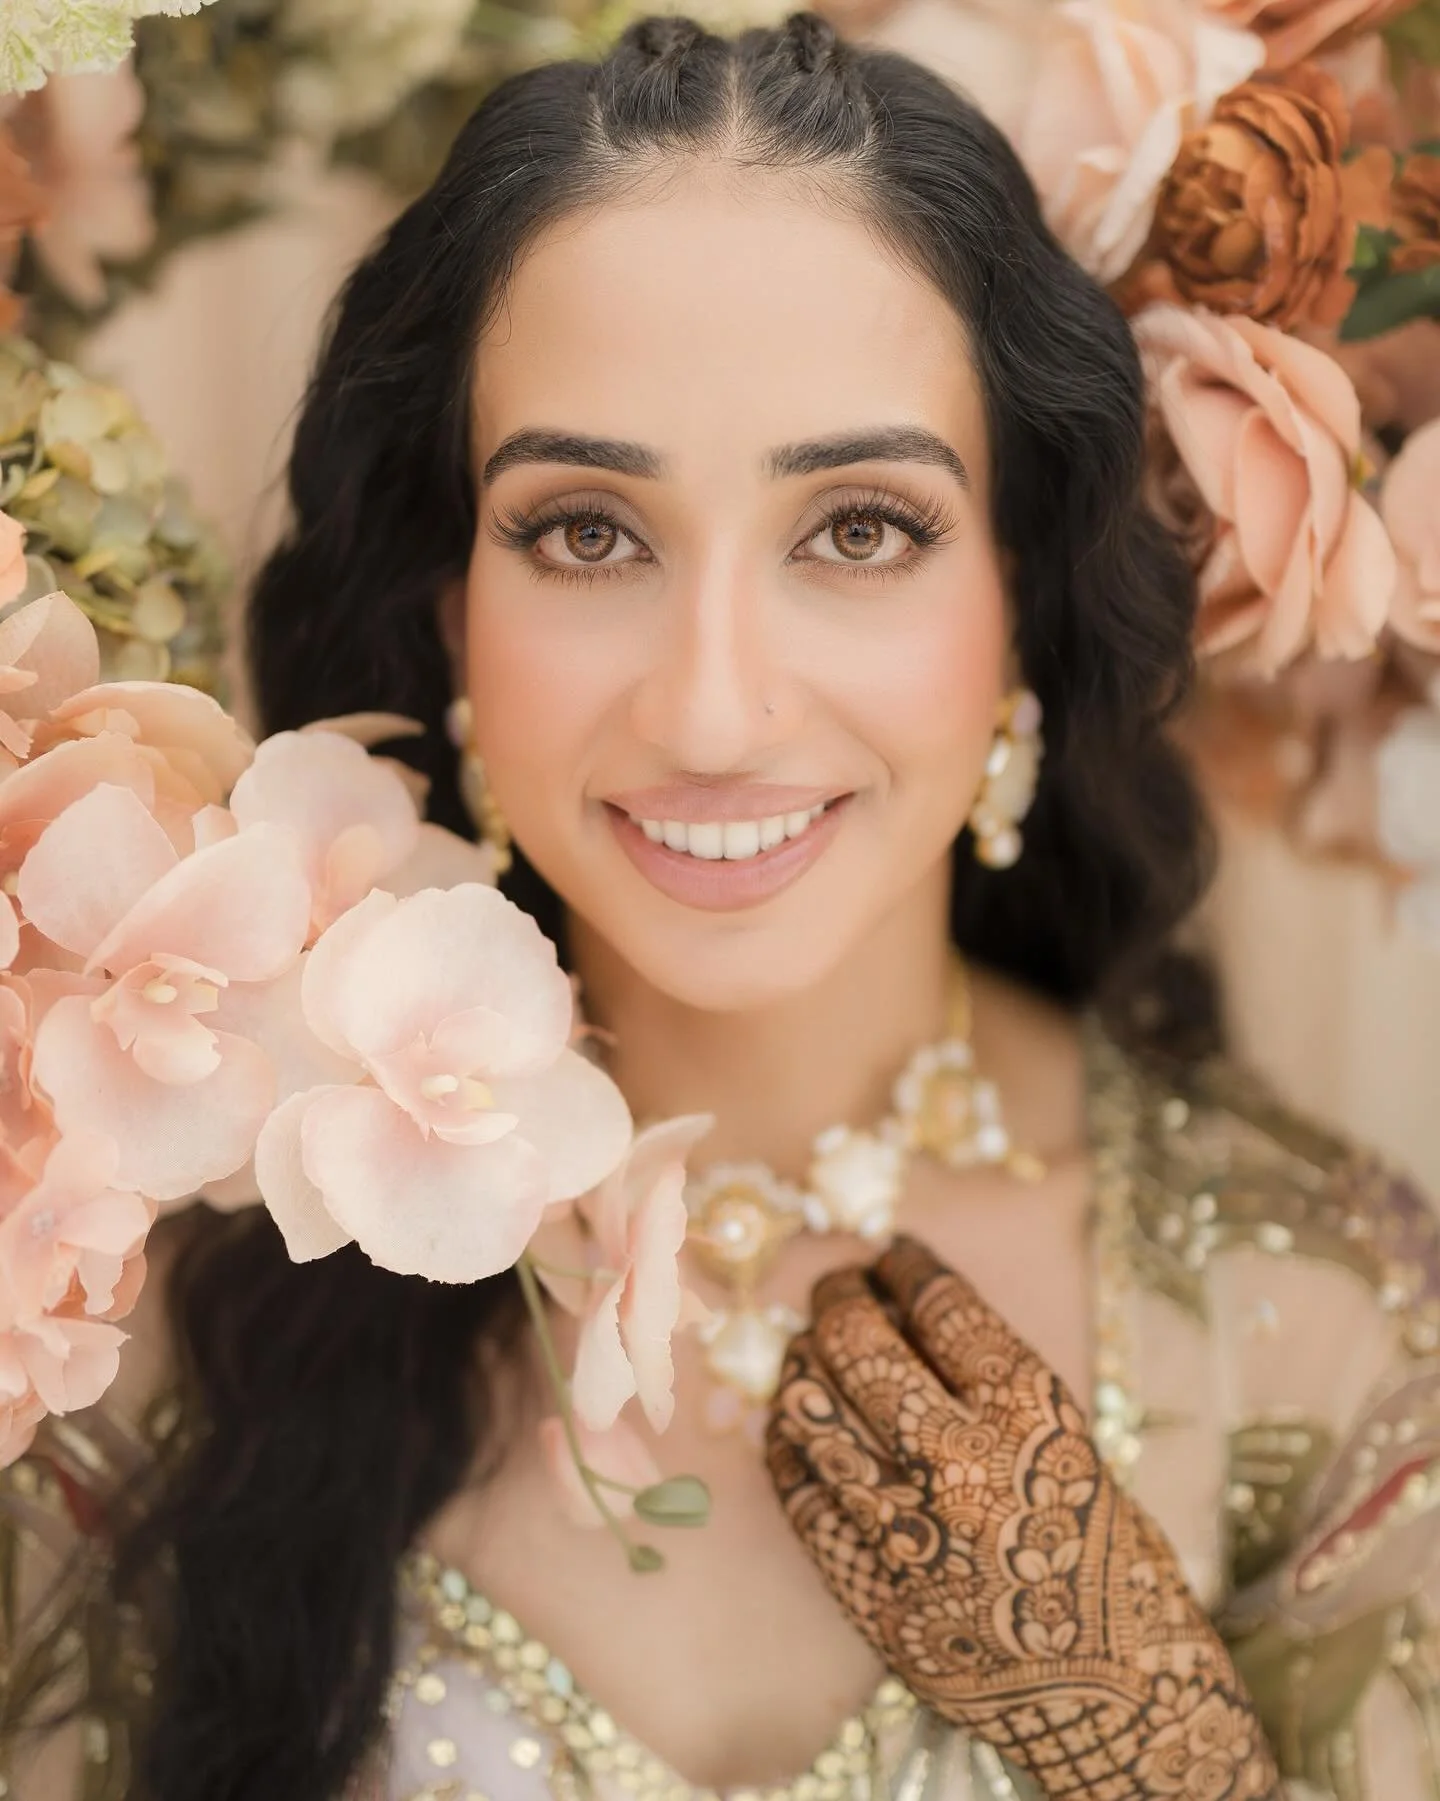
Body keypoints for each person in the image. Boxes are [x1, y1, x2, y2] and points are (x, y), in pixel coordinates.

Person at [4, 11, 1440, 1799]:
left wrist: (1153, 1755)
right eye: (588, 531)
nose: (710, 707)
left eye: (857, 530)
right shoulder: (125, 1320)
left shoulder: (1315, 1323)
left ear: (1020, 604)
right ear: (450, 606)